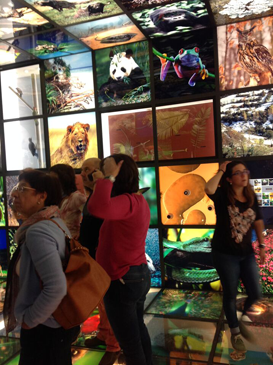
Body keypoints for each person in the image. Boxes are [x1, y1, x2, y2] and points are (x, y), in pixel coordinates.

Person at [3, 169, 80, 365]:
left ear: (41, 196)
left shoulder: (38, 231)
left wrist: (29, 319)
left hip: (45, 328)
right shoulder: (54, 220)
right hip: (56, 324)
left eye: (22, 189)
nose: (13, 194)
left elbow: (56, 286)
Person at [88, 154, 152, 365]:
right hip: (134, 276)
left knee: (130, 346)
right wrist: (105, 181)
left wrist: (106, 179)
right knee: (138, 332)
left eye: (106, 168)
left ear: (118, 172)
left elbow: (96, 208)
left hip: (122, 279)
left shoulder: (127, 202)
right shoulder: (136, 200)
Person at [205, 160, 265, 353]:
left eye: (245, 171)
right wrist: (221, 170)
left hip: (246, 253)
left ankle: (238, 319)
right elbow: (208, 187)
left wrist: (262, 245)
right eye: (238, 173)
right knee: (230, 294)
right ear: (230, 179)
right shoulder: (223, 195)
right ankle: (235, 332)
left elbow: (258, 220)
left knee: (255, 292)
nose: (243, 175)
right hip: (224, 254)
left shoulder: (251, 196)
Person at [80, 157, 121, 365]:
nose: (84, 173)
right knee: (100, 301)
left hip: (104, 256)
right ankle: (104, 335)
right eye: (82, 169)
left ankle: (114, 346)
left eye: (89, 169)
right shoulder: (91, 195)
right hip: (92, 255)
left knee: (109, 303)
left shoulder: (108, 193)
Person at [50, 164, 86, 238]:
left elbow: (89, 216)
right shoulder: (55, 198)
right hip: (58, 240)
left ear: (63, 179)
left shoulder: (76, 197)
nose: (50, 182)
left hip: (72, 241)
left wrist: (81, 235)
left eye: (53, 178)